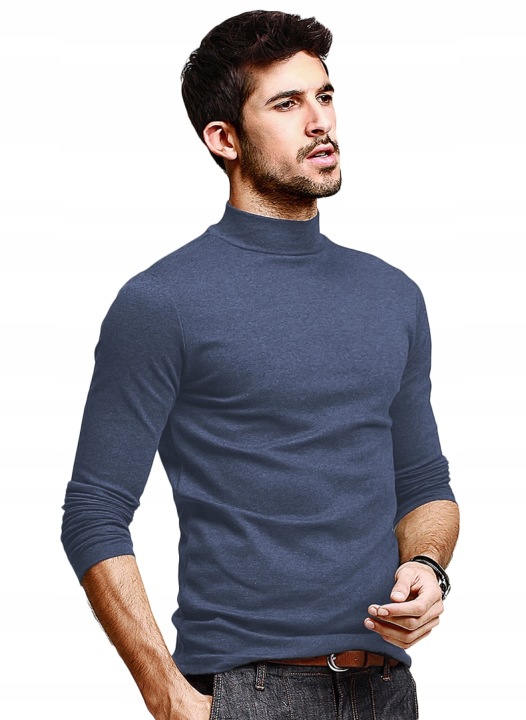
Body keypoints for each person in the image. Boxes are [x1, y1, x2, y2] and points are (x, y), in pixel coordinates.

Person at [61, 10, 460, 720]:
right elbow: (94, 512)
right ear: (224, 139)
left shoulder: (393, 295)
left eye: (324, 95)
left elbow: (425, 485)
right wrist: (167, 694)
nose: (320, 121)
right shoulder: (162, 302)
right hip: (251, 691)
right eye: (286, 104)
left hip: (388, 691)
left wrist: (427, 566)